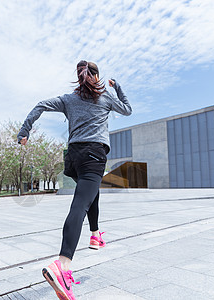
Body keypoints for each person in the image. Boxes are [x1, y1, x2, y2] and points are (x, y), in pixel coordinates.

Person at [17, 60, 132, 300]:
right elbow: (127, 109)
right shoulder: (106, 97)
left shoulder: (68, 99)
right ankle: (62, 265)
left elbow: (40, 105)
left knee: (90, 192)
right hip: (94, 154)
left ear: (78, 77)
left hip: (74, 157)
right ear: (97, 77)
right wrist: (118, 87)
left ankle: (96, 234)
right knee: (80, 204)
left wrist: (24, 131)